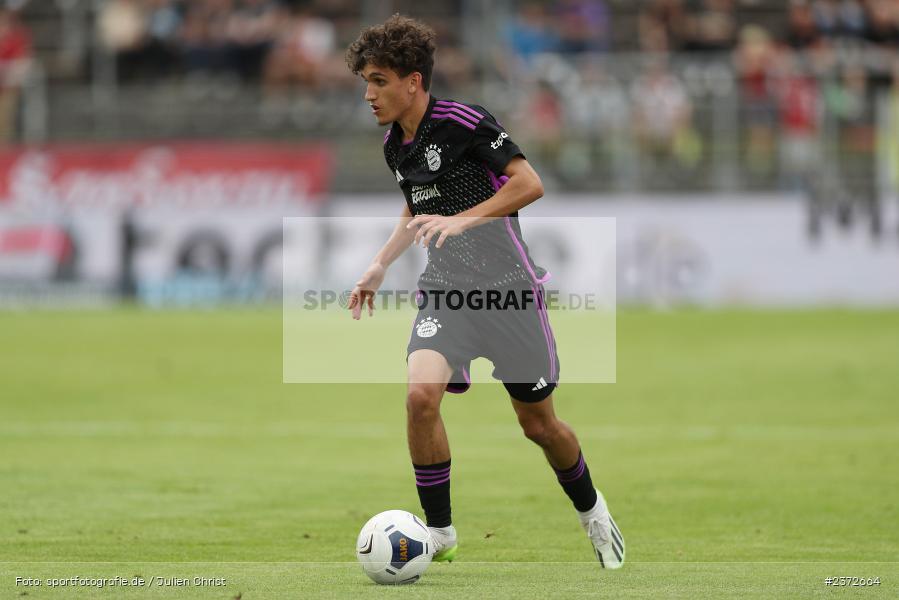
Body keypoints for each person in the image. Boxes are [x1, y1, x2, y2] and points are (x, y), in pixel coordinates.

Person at [344, 14, 624, 570]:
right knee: (420, 397)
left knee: (538, 426)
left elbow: (529, 183)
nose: (369, 94)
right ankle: (441, 533)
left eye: (378, 81)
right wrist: (379, 264)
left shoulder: (464, 122)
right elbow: (417, 207)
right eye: (365, 82)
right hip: (446, 291)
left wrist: (465, 220)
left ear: (413, 81)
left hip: (509, 293)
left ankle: (593, 512)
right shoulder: (394, 145)